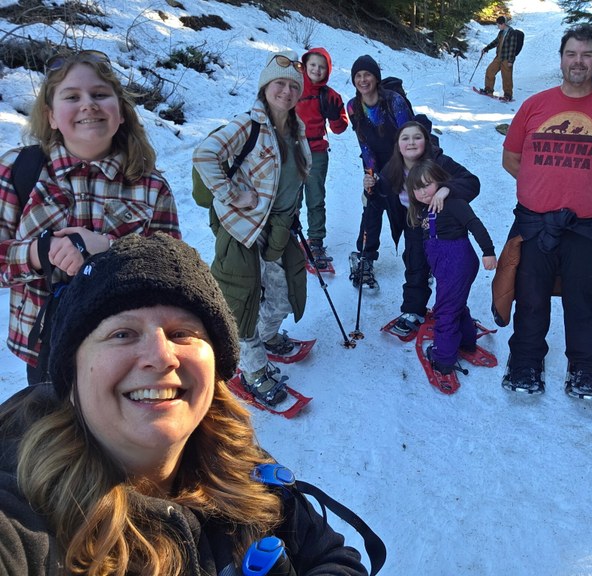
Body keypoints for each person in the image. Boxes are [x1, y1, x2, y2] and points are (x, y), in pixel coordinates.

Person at [0, 233, 368, 575]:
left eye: (182, 333)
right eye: (122, 333)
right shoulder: (20, 516)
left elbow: (333, 558)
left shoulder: (233, 458)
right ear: (72, 373)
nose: (161, 357)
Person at [0, 49, 180, 387]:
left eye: (100, 94)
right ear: (51, 116)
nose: (88, 104)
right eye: (72, 96)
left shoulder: (150, 185)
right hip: (46, 350)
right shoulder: (18, 171)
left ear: (121, 113)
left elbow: (175, 273)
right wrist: (41, 252)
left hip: (126, 351)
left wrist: (112, 250)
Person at [497, 23, 592, 398]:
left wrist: (591, 188)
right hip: (533, 222)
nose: (578, 61)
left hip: (587, 226)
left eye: (587, 55)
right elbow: (512, 158)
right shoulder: (534, 106)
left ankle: (587, 366)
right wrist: (541, 185)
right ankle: (526, 361)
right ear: (561, 58)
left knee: (584, 297)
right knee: (529, 294)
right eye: (572, 54)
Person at [193, 50, 310, 406]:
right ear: (265, 87)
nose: (286, 92)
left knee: (284, 292)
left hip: (277, 228)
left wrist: (293, 215)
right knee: (241, 302)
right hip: (242, 228)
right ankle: (252, 369)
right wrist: (232, 194)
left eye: (293, 86)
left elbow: (295, 182)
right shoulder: (249, 125)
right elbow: (204, 154)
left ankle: (268, 336)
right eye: (279, 83)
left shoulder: (297, 130)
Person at [369, 120, 480, 337]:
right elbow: (381, 199)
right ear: (398, 144)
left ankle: (452, 311)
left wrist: (446, 189)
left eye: (417, 137)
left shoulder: (439, 162)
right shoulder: (392, 168)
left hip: (444, 227)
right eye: (405, 138)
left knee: (448, 270)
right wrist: (371, 189)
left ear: (426, 141)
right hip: (414, 222)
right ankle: (413, 310)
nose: (411, 142)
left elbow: (472, 182)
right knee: (415, 264)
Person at [405, 160, 497, 375]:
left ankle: (443, 359)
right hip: (443, 266)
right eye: (416, 188)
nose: (423, 192)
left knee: (445, 310)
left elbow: (475, 224)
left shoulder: (454, 203)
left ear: (439, 182)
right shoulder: (422, 211)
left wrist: (488, 251)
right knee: (456, 304)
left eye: (427, 185)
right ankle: (466, 342)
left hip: (458, 262)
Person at [347, 54, 414, 287]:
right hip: (377, 163)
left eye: (367, 75)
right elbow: (363, 141)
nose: (363, 80)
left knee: (407, 211)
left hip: (404, 162)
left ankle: (417, 261)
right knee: (372, 203)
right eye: (358, 75)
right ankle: (365, 257)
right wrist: (370, 173)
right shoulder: (353, 106)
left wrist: (399, 171)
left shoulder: (394, 101)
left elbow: (408, 138)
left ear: (376, 78)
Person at [295, 47, 349, 268]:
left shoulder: (330, 95)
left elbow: (339, 128)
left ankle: (315, 239)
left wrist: (335, 116)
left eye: (322, 66)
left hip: (317, 151)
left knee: (315, 196)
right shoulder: (294, 87)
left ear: (328, 70)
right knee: (291, 194)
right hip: (293, 148)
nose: (317, 70)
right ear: (305, 66)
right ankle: (289, 234)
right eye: (313, 65)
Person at [479, 16, 520, 102]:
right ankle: (488, 90)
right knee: (490, 71)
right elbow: (496, 42)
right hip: (499, 57)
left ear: (502, 24)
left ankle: (508, 95)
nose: (497, 26)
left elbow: (512, 48)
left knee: (507, 77)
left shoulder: (512, 33)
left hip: (507, 59)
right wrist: (487, 48)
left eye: (498, 24)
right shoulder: (501, 32)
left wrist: (510, 61)